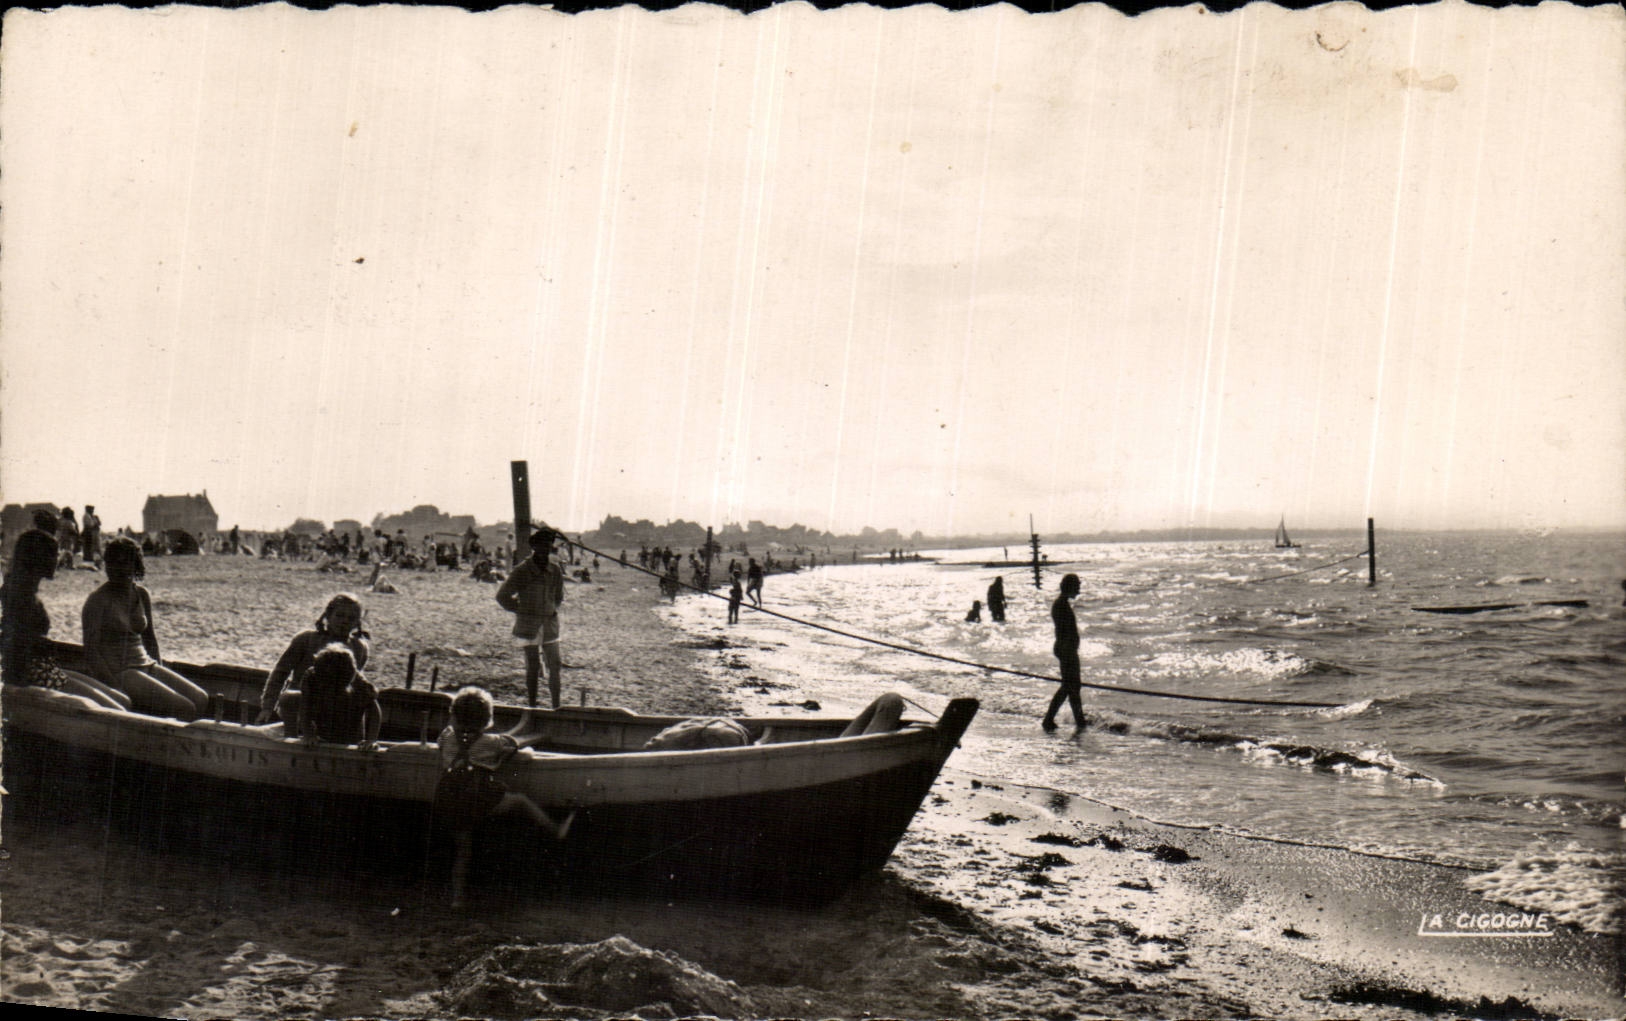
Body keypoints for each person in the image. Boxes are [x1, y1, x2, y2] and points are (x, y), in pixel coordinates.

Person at [433, 686, 573, 908]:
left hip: (449, 799)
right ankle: (555, 830)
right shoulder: (492, 742)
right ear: (488, 720)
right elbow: (515, 746)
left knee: (463, 848)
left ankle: (457, 899)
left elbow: (445, 745)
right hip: (479, 799)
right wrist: (534, 738)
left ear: (454, 715)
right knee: (519, 800)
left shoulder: (447, 736)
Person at [81, 537, 209, 720]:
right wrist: (113, 687)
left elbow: (150, 640)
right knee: (184, 708)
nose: (118, 569)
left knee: (201, 698)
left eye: (124, 563)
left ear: (136, 566)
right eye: (112, 563)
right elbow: (91, 652)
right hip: (121, 671)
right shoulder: (98, 600)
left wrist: (159, 671)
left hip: (146, 664)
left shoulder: (141, 594)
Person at [1, 530, 131, 710]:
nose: (58, 559)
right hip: (34, 674)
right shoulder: (17, 597)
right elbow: (15, 648)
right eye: (54, 554)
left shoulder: (25, 591)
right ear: (39, 558)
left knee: (122, 699)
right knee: (118, 708)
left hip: (45, 669)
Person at [256, 593, 371, 725]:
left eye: (351, 618)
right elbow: (280, 673)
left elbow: (356, 683)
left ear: (357, 622)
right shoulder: (306, 640)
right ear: (328, 616)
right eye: (339, 615)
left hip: (333, 711)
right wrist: (268, 707)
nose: (344, 621)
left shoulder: (359, 647)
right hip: (299, 703)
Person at [496, 528, 565, 708]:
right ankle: (533, 706)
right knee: (533, 667)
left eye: (548, 547)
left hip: (550, 624)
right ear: (534, 547)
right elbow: (502, 596)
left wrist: (550, 609)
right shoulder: (522, 571)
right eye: (541, 546)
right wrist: (521, 610)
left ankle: (556, 707)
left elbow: (558, 596)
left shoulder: (555, 570)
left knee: (555, 665)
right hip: (528, 625)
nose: (545, 551)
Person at [295, 644, 380, 746]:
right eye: (329, 688)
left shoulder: (359, 682)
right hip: (322, 722)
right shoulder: (311, 676)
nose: (333, 692)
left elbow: (374, 710)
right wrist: (308, 735)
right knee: (289, 698)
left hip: (350, 727)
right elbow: (305, 707)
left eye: (337, 689)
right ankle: (293, 734)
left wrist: (371, 740)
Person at [1042, 573, 1086, 731]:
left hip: (1066, 648)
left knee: (1072, 687)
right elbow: (1064, 630)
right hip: (1066, 649)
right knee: (1069, 686)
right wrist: (1070, 647)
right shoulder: (1061, 605)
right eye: (1077, 586)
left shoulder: (1061, 603)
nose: (1079, 590)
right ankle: (1050, 719)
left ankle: (1080, 720)